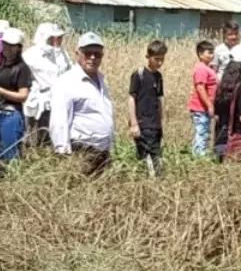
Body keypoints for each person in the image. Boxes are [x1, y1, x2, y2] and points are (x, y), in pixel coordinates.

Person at [50, 32, 115, 176]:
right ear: (77, 53)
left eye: (97, 54)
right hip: (81, 151)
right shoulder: (66, 82)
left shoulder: (102, 80)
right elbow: (60, 120)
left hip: (103, 151)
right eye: (88, 53)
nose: (92, 58)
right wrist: (62, 152)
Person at [0, 27, 33, 166]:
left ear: (19, 48)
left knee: (11, 157)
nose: (7, 48)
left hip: (10, 116)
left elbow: (23, 96)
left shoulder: (22, 68)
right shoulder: (1, 64)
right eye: (5, 44)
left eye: (12, 46)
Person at [22, 22, 72, 149]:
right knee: (35, 135)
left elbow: (70, 72)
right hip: (39, 101)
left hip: (60, 100)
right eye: (52, 38)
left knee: (55, 135)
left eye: (59, 38)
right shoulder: (30, 55)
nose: (57, 41)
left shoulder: (63, 54)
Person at [128, 40, 168, 177]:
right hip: (142, 124)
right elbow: (131, 99)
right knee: (145, 160)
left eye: (162, 59)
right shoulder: (139, 74)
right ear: (148, 57)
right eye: (156, 59)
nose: (159, 63)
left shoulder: (159, 77)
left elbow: (160, 98)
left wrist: (163, 121)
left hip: (155, 125)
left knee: (158, 159)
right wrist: (134, 124)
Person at [188, 40, 218, 156]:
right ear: (200, 54)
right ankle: (198, 155)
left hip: (204, 108)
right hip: (200, 107)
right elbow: (200, 88)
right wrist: (209, 104)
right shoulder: (201, 68)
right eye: (209, 53)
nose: (212, 55)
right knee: (202, 131)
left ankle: (201, 152)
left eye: (212, 53)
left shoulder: (208, 67)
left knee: (205, 130)